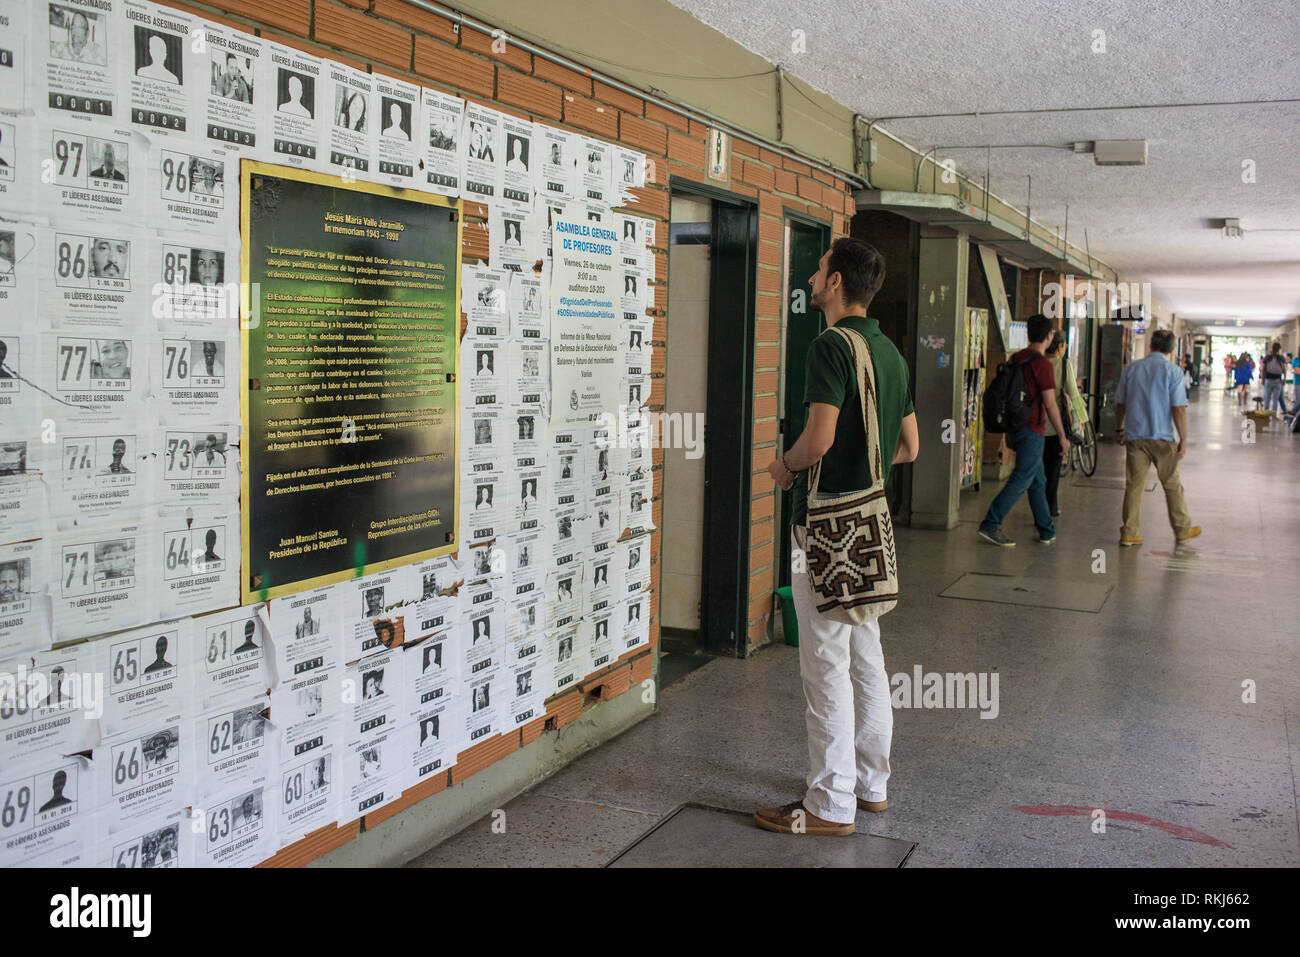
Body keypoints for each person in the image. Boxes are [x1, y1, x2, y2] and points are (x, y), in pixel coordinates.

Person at [755, 237, 917, 837]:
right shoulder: (891, 355)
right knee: (866, 654)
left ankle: (829, 804)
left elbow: (818, 439)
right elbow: (909, 447)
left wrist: (786, 466)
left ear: (838, 283)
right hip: (870, 526)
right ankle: (871, 786)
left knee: (824, 663)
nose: (814, 277)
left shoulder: (830, 346)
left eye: (821, 269)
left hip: (824, 526)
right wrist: (864, 467)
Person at [978, 315, 1070, 546]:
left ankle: (1047, 529)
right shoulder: (1042, 364)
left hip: (1015, 427)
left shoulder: (1017, 358)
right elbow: (1050, 403)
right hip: (1032, 430)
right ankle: (991, 523)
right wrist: (1061, 434)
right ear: (1048, 336)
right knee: (1021, 478)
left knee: (1037, 480)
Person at [1114, 329, 1200, 548]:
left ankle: (1129, 533)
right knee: (1172, 485)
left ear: (1150, 345)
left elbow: (1120, 404)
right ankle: (1182, 529)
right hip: (1163, 437)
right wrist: (1183, 439)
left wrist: (1118, 428)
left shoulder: (1131, 369)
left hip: (1135, 436)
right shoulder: (1173, 372)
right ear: (1172, 349)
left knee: (1134, 485)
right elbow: (1178, 408)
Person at [1042, 330, 1087, 517]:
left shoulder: (1037, 362)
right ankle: (1049, 507)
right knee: (1052, 470)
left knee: (1036, 471)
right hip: (1054, 428)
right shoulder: (1063, 364)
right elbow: (1073, 394)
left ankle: (1040, 506)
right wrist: (1083, 420)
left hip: (1034, 426)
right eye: (1065, 345)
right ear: (1060, 346)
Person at [1260, 342, 1288, 413]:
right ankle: (1274, 414)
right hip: (1278, 380)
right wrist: (1284, 379)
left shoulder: (1267, 357)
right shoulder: (1281, 358)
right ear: (1279, 349)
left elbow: (1262, 368)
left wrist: (1262, 379)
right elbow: (1285, 369)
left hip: (1268, 379)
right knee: (1275, 399)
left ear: (1272, 348)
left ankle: (1266, 413)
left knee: (1267, 398)